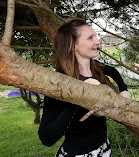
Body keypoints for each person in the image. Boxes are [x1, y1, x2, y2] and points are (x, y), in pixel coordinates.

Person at [38, 19, 130, 156]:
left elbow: (113, 71)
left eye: (96, 36)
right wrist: (79, 97)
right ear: (74, 45)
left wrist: (124, 90)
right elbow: (46, 138)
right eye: (90, 38)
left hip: (104, 149)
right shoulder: (60, 82)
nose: (97, 41)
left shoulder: (96, 68)